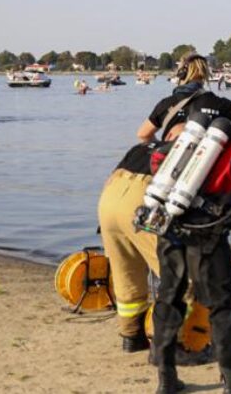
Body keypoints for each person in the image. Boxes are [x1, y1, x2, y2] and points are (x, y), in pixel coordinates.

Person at [144, 53, 231, 394]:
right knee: (221, 302)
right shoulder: (216, 103)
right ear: (208, 74)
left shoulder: (167, 103)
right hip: (206, 225)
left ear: (181, 74)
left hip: (168, 213)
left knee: (168, 299)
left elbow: (143, 137)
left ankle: (166, 381)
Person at [97, 142, 162, 352]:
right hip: (142, 200)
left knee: (126, 273)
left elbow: (110, 179)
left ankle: (131, 337)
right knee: (178, 276)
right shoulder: (184, 151)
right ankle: (173, 340)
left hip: (109, 201)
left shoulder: (140, 148)